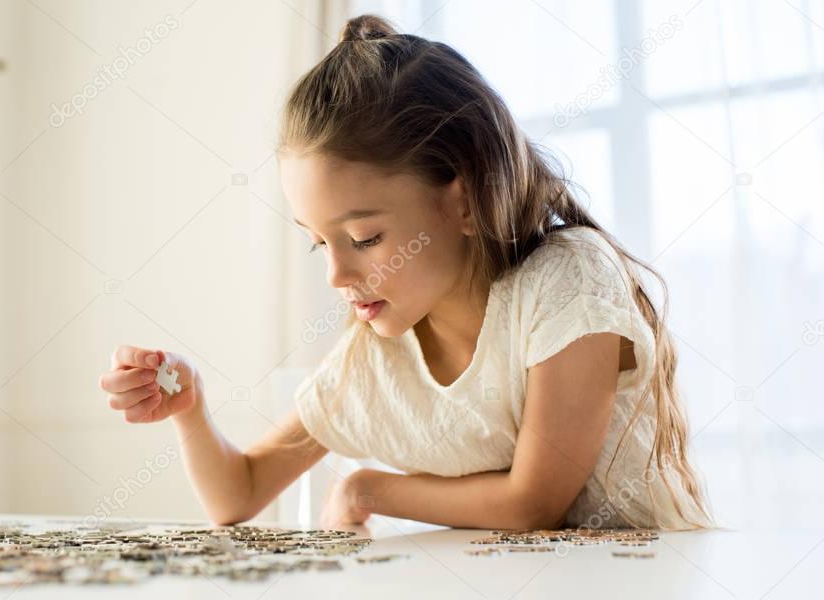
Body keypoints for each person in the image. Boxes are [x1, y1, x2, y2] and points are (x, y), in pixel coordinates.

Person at [99, 14, 714, 532]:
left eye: (365, 238)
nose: (338, 274)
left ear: (465, 200)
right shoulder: (374, 360)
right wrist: (190, 407)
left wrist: (370, 491)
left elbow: (533, 502)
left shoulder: (565, 281)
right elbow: (238, 494)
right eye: (319, 245)